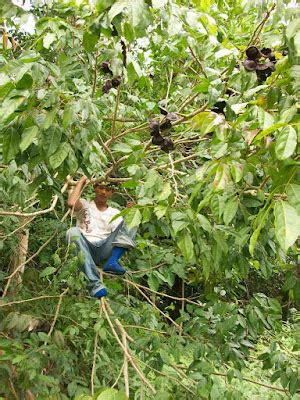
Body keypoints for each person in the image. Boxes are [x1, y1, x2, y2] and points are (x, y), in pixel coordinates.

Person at [66, 176, 136, 299]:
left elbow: (122, 234)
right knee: (72, 232)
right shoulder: (84, 204)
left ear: (112, 193)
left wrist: (130, 213)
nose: (104, 192)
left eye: (108, 190)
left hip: (105, 250)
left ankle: (113, 261)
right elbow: (71, 203)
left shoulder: (115, 212)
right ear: (95, 188)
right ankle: (95, 285)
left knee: (134, 218)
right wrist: (82, 181)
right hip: (85, 248)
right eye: (101, 188)